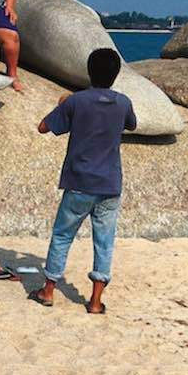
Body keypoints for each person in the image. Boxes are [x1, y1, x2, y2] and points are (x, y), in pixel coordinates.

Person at [29, 48, 137, 314]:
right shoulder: (123, 102)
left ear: (89, 72)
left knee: (63, 235)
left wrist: (63, 103)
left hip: (79, 182)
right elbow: (132, 124)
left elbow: (44, 127)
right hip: (110, 183)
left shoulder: (76, 102)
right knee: (104, 241)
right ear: (116, 74)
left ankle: (48, 291)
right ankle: (96, 301)